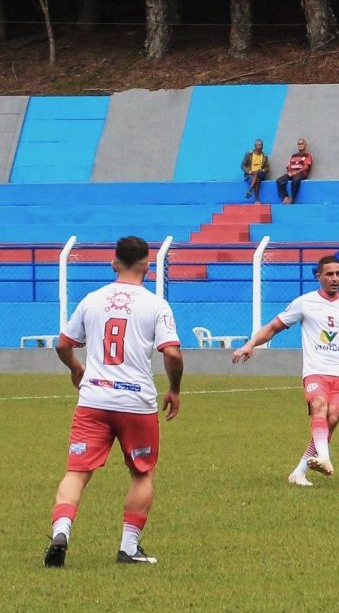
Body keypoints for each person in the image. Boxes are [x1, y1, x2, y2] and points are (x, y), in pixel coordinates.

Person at [43, 236, 184, 568]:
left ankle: (62, 530)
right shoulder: (156, 305)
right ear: (148, 265)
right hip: (136, 403)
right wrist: (175, 388)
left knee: (76, 472)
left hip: (93, 399)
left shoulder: (93, 299)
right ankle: (128, 548)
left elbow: (63, 345)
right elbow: (173, 353)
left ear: (114, 262)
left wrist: (77, 368)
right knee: (141, 474)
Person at [233, 255, 339, 486]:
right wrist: (250, 344)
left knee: (331, 417)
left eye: (338, 274)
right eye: (329, 274)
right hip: (316, 371)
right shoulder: (304, 303)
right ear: (318, 276)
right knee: (319, 406)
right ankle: (324, 457)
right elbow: (274, 327)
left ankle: (299, 471)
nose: (335, 278)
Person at [276, 138, 312, 204]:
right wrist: (289, 172)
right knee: (279, 180)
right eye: (299, 144)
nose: (300, 145)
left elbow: (306, 167)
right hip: (292, 173)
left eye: (302, 144)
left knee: (295, 180)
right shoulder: (293, 155)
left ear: (305, 145)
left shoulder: (308, 155)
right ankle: (285, 197)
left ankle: (292, 198)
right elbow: (288, 166)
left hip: (301, 173)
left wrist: (296, 172)